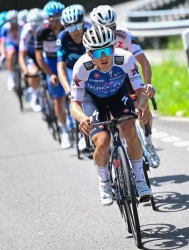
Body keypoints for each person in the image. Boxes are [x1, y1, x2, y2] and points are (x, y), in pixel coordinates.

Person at [70, 25, 153, 206]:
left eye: (107, 50)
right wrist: (83, 118)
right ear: (89, 54)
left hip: (117, 93)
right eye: (97, 53)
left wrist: (141, 107)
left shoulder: (126, 59)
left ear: (114, 47)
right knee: (102, 140)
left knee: (130, 127)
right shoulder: (81, 67)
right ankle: (104, 182)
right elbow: (74, 104)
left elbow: (140, 91)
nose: (104, 57)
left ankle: (140, 181)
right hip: (92, 98)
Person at [90, 5, 160, 168]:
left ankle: (148, 143)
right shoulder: (91, 39)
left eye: (112, 27)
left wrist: (146, 85)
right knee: (114, 118)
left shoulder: (123, 35)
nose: (110, 31)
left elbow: (143, 62)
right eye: (105, 28)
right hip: (103, 79)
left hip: (125, 76)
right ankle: (120, 153)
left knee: (143, 102)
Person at [35, 1, 72, 149]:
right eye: (53, 19)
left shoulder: (67, 28)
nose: (56, 22)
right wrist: (50, 74)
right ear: (47, 20)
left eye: (59, 18)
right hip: (50, 62)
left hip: (66, 61)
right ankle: (65, 131)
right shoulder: (42, 32)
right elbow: (39, 57)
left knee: (73, 92)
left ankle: (73, 119)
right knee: (58, 100)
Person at [57, 5, 87, 134]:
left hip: (89, 68)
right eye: (70, 27)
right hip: (71, 69)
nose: (76, 31)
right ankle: (79, 131)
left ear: (83, 23)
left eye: (78, 26)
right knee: (74, 96)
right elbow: (60, 68)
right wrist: (68, 90)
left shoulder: (90, 32)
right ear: (65, 28)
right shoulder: (62, 37)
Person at [19, 8, 44, 112]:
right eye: (34, 26)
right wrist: (25, 70)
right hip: (30, 55)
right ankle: (35, 97)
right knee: (33, 73)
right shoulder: (26, 32)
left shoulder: (46, 27)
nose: (37, 29)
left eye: (39, 26)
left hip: (43, 53)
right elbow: (21, 55)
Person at [0, 10, 20, 91]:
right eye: (11, 21)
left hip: (20, 44)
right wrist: (3, 54)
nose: (13, 23)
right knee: (10, 54)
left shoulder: (21, 25)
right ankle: (10, 75)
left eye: (14, 21)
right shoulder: (5, 28)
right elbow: (2, 42)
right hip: (10, 44)